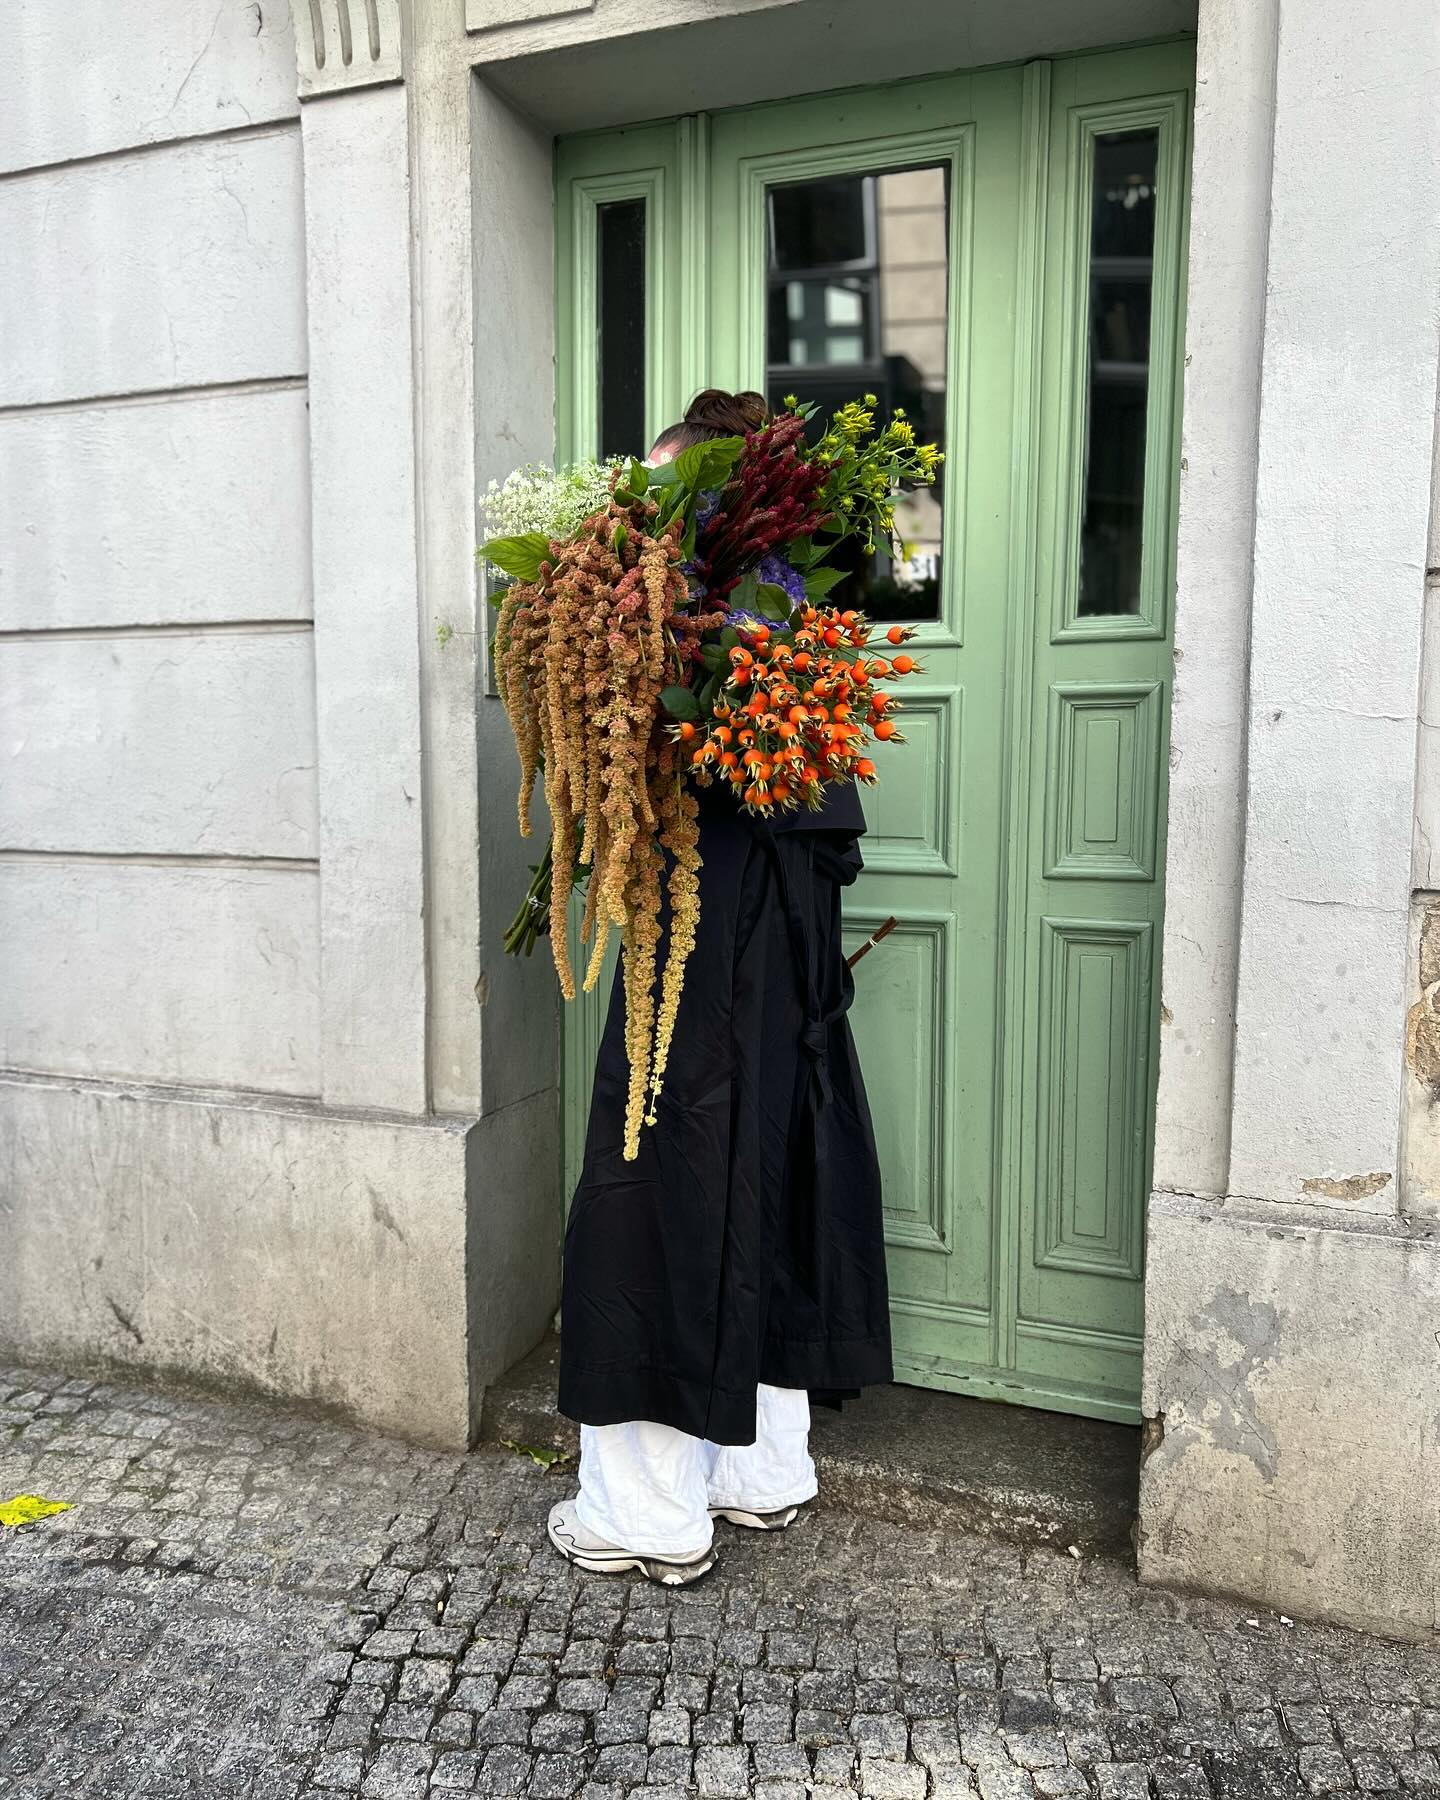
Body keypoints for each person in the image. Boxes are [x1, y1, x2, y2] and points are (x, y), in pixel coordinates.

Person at [547, 389, 892, 1584]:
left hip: (701, 941)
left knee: (659, 1180)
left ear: (704, 504)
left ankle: (645, 1512)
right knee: (769, 1166)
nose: (636, 522)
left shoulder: (702, 634)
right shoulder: (796, 647)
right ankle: (757, 1470)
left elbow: (656, 779)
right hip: (782, 946)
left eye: (658, 495)